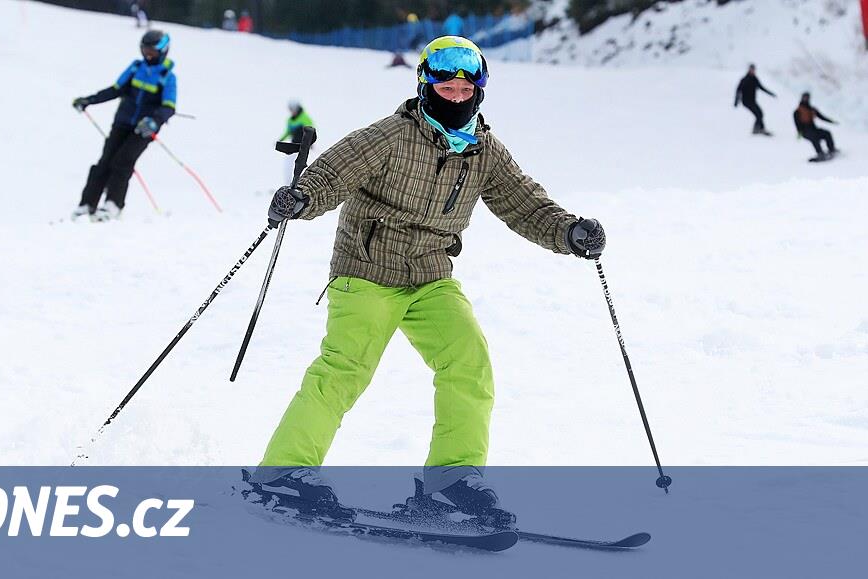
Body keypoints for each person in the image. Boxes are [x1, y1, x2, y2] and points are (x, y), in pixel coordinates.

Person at [248, 37, 607, 518]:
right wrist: (302, 198)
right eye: (445, 87)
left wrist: (569, 231)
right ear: (424, 84)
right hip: (368, 270)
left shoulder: (484, 151)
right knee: (344, 369)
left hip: (431, 275)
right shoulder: (391, 135)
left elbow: (524, 203)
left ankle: (453, 478)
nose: (455, 97)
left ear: (479, 92)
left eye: (465, 89)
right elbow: (334, 171)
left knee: (468, 360)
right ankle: (284, 471)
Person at [70, 30, 177, 221]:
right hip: (122, 122)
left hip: (143, 129)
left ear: (163, 51)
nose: (147, 55)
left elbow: (169, 107)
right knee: (105, 162)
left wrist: (154, 121)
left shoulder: (167, 77)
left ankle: (113, 205)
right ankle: (87, 205)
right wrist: (89, 100)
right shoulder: (136, 68)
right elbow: (116, 90)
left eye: (152, 51)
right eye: (145, 50)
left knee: (123, 162)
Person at [793, 92, 839, 160]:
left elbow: (821, 117)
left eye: (807, 97)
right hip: (805, 132)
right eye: (804, 97)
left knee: (827, 133)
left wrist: (831, 121)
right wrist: (799, 133)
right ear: (802, 98)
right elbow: (797, 124)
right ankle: (820, 153)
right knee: (814, 137)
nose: (806, 99)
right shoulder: (797, 112)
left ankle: (831, 150)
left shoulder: (812, 109)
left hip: (814, 129)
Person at [734, 64, 776, 135]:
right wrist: (736, 101)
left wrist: (770, 93)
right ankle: (758, 129)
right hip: (746, 101)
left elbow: (761, 87)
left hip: (752, 101)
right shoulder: (744, 79)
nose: (752, 71)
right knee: (758, 114)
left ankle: (759, 129)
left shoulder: (755, 79)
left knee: (760, 113)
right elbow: (738, 90)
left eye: (753, 69)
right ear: (749, 70)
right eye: (751, 69)